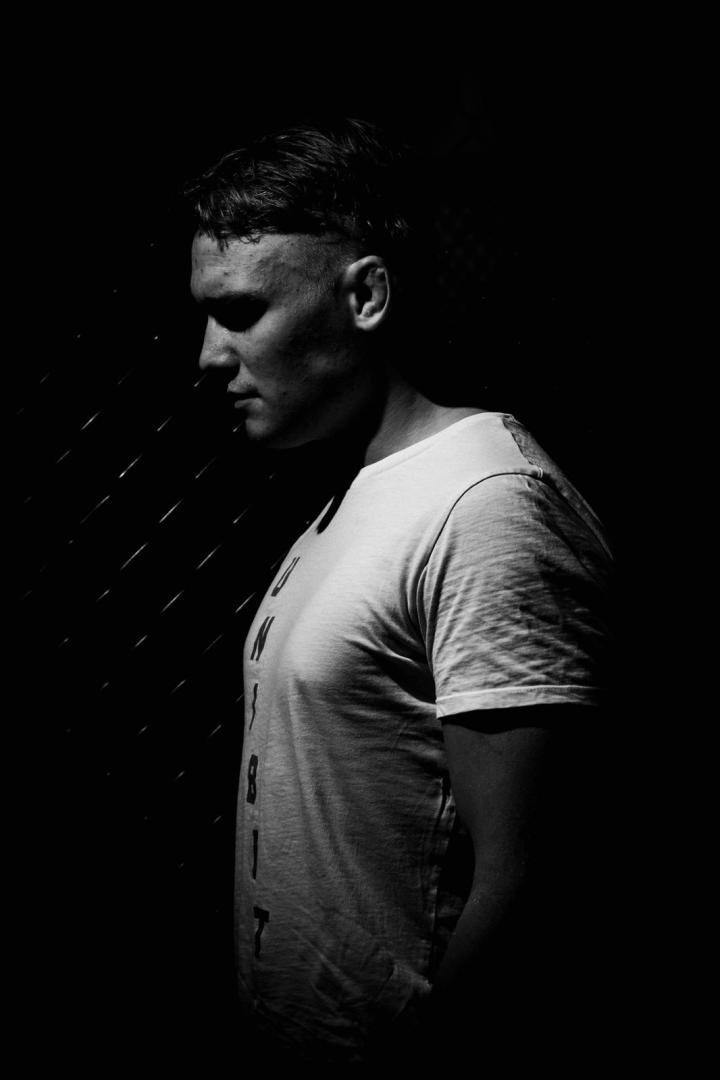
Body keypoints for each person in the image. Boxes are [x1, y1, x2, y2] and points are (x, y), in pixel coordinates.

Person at [184, 117, 615, 1070]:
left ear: (366, 295)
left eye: (242, 311)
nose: (210, 354)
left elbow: (537, 879)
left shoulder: (487, 505)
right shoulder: (355, 490)